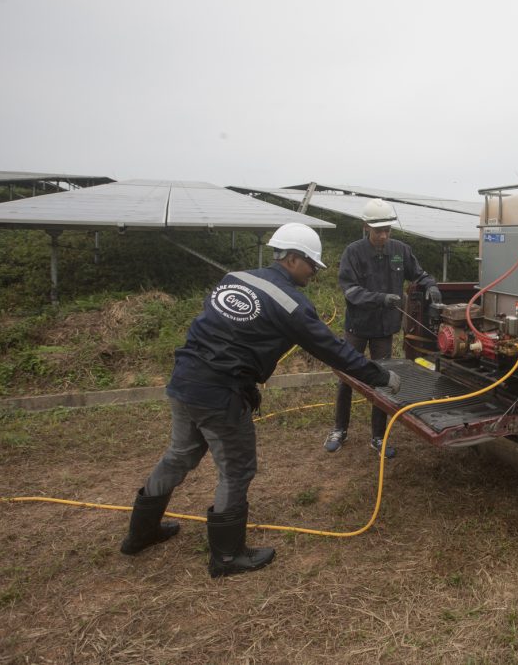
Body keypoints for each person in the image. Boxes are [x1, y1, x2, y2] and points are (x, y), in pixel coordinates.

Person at [119, 223, 400, 578]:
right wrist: (379, 375)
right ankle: (226, 556)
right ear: (293, 259)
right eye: (312, 264)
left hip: (184, 380)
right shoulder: (291, 305)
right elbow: (334, 351)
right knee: (236, 470)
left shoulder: (234, 278)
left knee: (179, 455)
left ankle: (140, 534)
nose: (314, 273)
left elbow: (221, 331)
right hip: (220, 395)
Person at [325, 199, 441, 458]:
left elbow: (419, 274)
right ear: (365, 226)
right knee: (347, 378)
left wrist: (430, 285)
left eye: (387, 229)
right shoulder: (353, 253)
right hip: (357, 327)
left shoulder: (400, 250)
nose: (384, 235)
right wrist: (380, 298)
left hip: (385, 329)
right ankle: (339, 430)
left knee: (382, 380)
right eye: (378, 230)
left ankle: (378, 436)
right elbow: (351, 291)